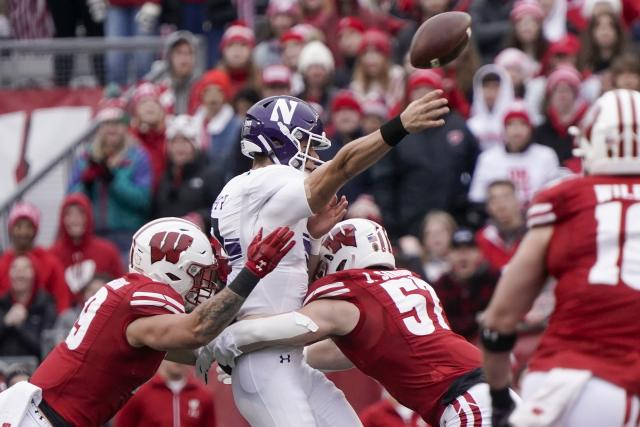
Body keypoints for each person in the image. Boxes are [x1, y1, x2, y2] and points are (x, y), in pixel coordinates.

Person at [208, 90, 450, 427]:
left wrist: (310, 237)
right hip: (262, 359)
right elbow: (345, 165)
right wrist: (398, 127)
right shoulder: (268, 182)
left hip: (283, 356)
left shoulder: (246, 191)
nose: (312, 157)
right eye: (306, 144)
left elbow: (286, 283)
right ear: (281, 139)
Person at [206, 219, 519, 425]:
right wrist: (272, 357)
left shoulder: (355, 292)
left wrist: (226, 342)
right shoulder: (411, 283)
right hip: (491, 393)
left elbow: (296, 326)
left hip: (468, 402)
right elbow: (343, 352)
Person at [0, 218, 294, 427]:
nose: (202, 285)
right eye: (198, 273)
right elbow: (197, 331)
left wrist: (237, 350)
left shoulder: (130, 296)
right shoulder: (147, 295)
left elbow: (192, 350)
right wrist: (252, 274)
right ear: (173, 268)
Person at [480, 89, 640, 427]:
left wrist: (498, 400)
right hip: (625, 384)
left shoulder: (564, 198)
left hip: (553, 383)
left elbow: (499, 320)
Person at [372, 70, 479, 238]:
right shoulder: (396, 129)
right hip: (408, 223)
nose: (423, 95)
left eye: (428, 89)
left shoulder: (457, 125)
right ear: (410, 95)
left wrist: (464, 205)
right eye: (418, 89)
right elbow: (384, 180)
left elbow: (476, 168)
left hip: (453, 220)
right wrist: (393, 228)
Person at [68, 98, 152, 258]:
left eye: (117, 123)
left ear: (125, 126)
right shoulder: (86, 156)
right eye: (107, 123)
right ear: (99, 127)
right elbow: (71, 198)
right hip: (92, 237)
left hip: (127, 237)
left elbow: (143, 200)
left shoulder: (138, 155)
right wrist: (86, 185)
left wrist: (114, 181)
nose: (112, 129)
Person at [469, 101, 559, 205]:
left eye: (522, 124)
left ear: (530, 129)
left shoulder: (546, 156)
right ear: (504, 130)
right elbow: (477, 197)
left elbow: (555, 194)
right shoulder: (488, 159)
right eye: (511, 124)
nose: (517, 129)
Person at [152, 115, 226, 229]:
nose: (179, 147)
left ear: (194, 145)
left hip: (200, 241)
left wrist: (201, 218)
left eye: (184, 141)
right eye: (174, 142)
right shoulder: (166, 175)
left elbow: (223, 211)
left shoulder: (211, 173)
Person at [49, 193, 124, 302]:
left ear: (88, 216)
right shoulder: (52, 255)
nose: (75, 219)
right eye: (69, 214)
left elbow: (121, 289)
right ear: (62, 219)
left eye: (80, 213)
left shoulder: (108, 251)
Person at [0, 203, 71, 313]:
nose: (23, 232)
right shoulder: (2, 263)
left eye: (29, 227)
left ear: (35, 230)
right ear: (11, 229)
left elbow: (62, 301)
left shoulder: (51, 263)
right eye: (18, 226)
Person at [433, 228, 499, 341]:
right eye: (457, 250)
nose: (463, 256)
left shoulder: (493, 279)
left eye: (469, 250)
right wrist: (476, 320)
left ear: (480, 253)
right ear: (448, 255)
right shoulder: (440, 285)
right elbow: (439, 323)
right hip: (453, 344)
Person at [115, 360, 216, 427]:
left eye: (184, 354)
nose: (179, 360)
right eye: (174, 354)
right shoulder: (141, 393)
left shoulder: (203, 396)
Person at [0, 255, 57, 361]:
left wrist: (20, 326)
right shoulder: (2, 303)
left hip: (35, 369)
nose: (19, 273)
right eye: (15, 268)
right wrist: (6, 323)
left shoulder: (45, 304)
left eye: (25, 268)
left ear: (35, 274)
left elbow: (46, 349)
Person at [475, 180, 526, 273]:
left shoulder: (533, 232)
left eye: (506, 198)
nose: (501, 205)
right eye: (494, 200)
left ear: (518, 201)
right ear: (487, 207)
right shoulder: (482, 238)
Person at [159, 31, 201, 115]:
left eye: (189, 53)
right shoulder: (157, 87)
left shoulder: (203, 87)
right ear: (169, 56)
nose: (184, 58)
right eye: (179, 52)